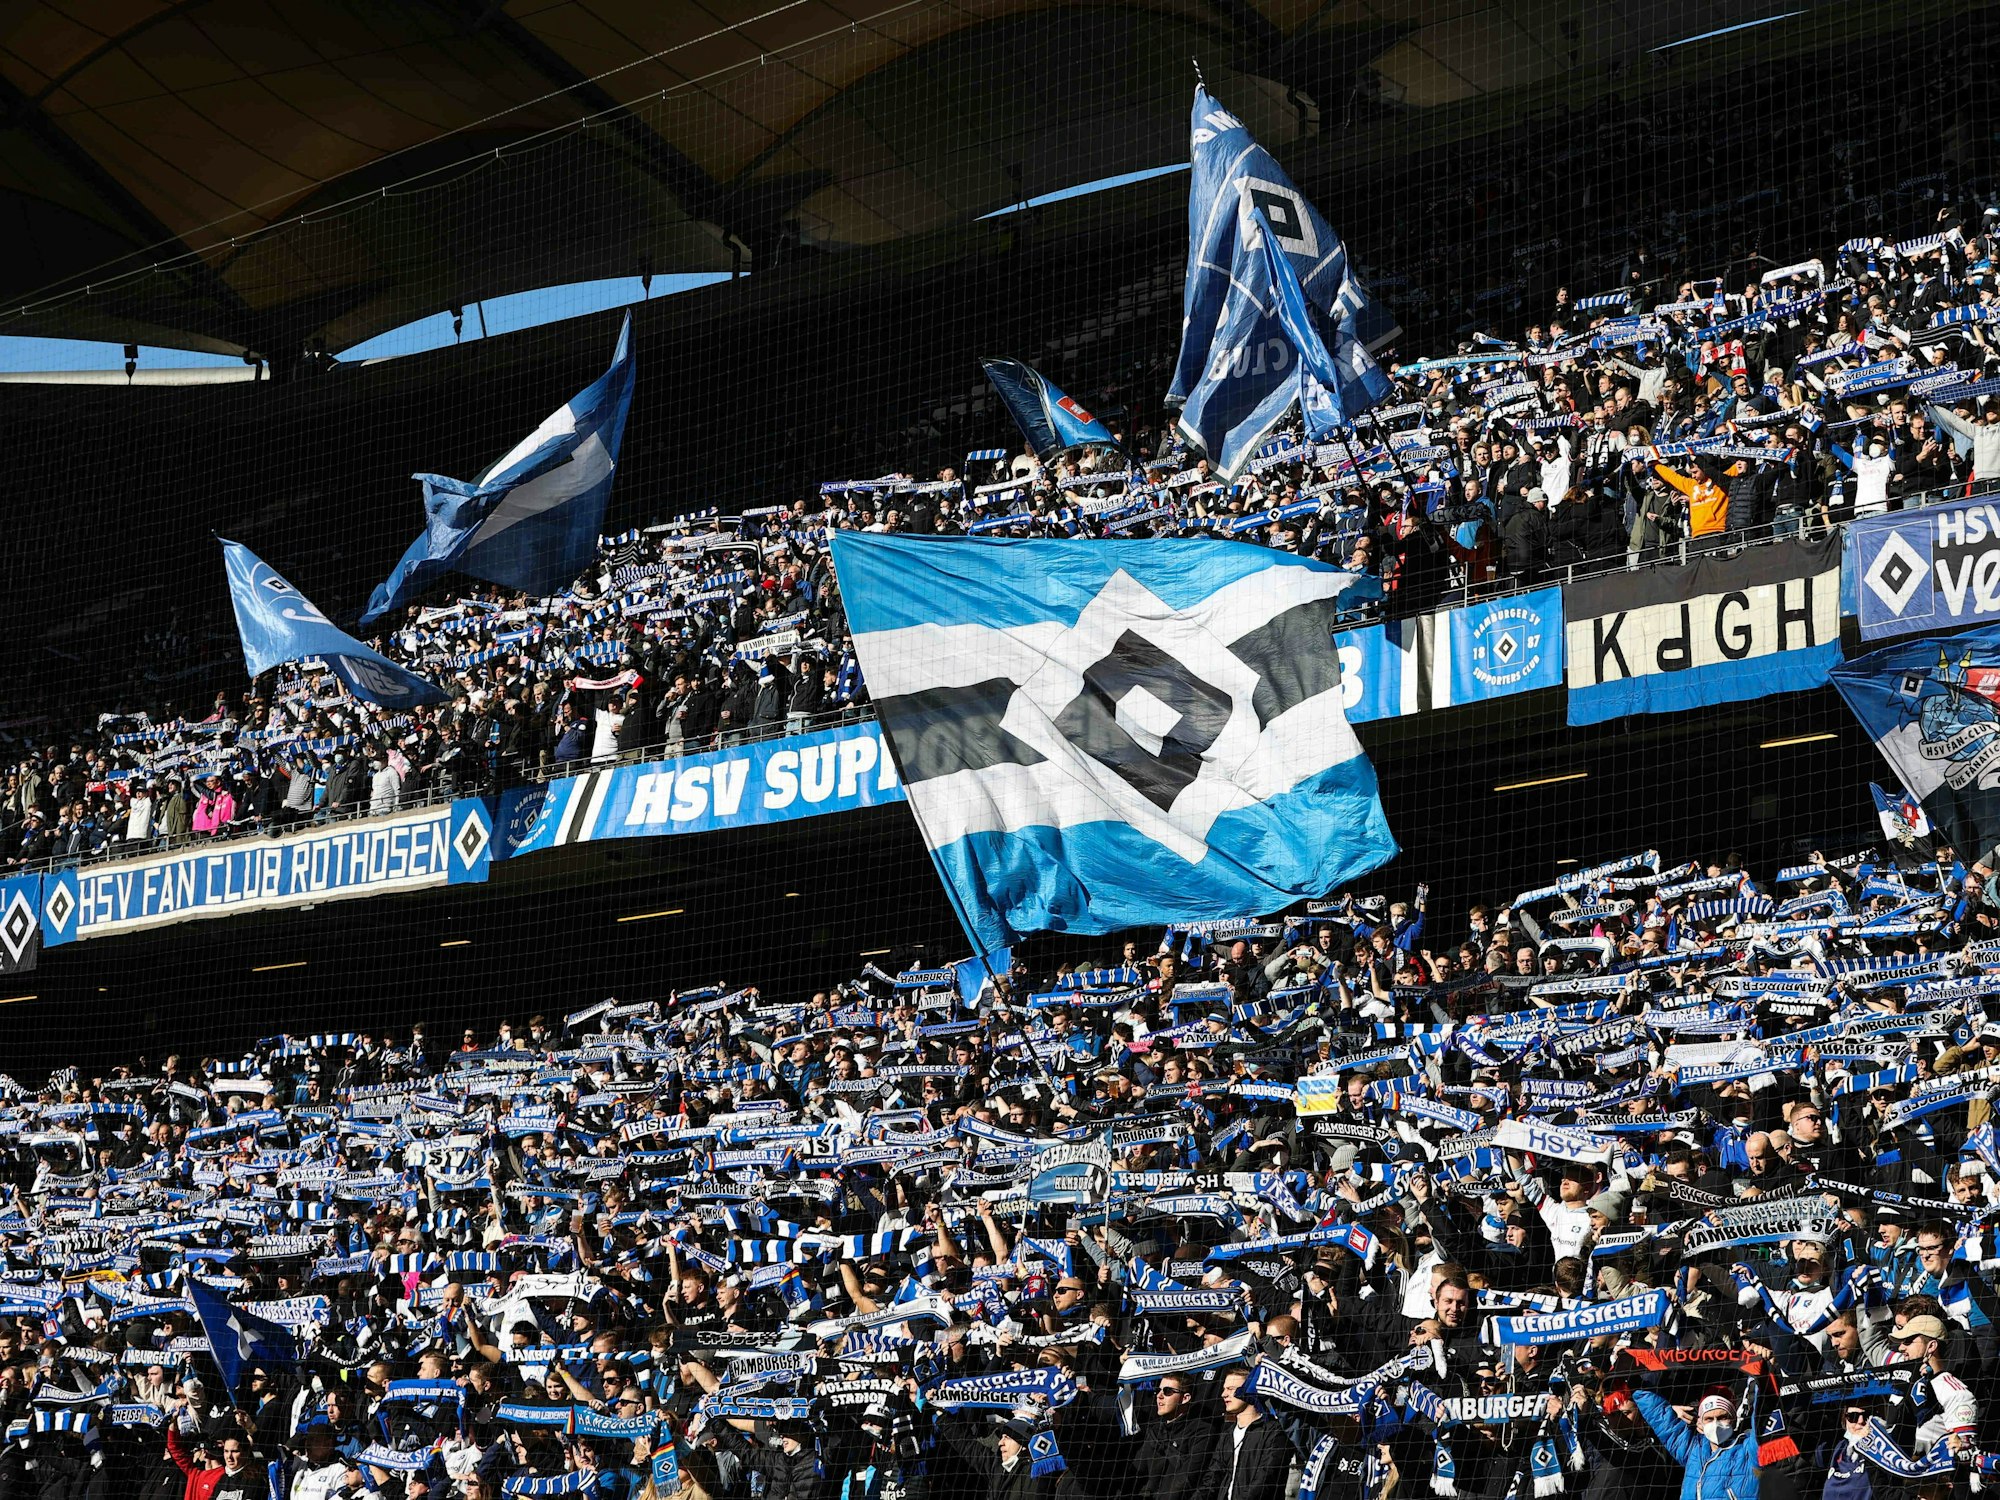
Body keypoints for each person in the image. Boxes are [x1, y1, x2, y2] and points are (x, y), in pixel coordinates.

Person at [1628, 1386, 1760, 1500]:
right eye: (1709, 1418)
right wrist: (1633, 1376)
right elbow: (1659, 1416)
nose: (1715, 1423)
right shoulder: (1693, 1449)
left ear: (1733, 1418)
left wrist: (1764, 1376)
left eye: (1722, 1417)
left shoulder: (1748, 1448)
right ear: (1700, 1422)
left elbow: (1764, 1414)